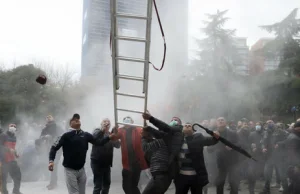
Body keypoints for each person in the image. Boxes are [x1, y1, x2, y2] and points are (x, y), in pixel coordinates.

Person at [48, 115, 118, 194]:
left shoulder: (85, 135)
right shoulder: (65, 135)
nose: (77, 119)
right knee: (75, 192)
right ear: (70, 123)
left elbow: (98, 142)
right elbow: (54, 148)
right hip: (70, 170)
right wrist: (51, 160)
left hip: (81, 170)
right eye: (74, 119)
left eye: (78, 118)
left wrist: (109, 137)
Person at [114, 116, 148, 194]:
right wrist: (114, 130)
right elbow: (114, 137)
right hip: (127, 164)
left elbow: (146, 135)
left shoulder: (138, 129)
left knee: (134, 185)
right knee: (126, 186)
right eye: (125, 119)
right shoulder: (120, 130)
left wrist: (146, 125)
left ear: (132, 121)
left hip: (137, 163)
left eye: (129, 119)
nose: (127, 121)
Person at [208, 117, 240, 194]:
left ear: (225, 123)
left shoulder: (233, 133)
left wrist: (232, 146)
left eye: (222, 120)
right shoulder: (214, 134)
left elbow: (239, 144)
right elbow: (209, 149)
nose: (221, 121)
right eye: (219, 120)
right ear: (217, 123)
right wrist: (215, 142)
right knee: (219, 183)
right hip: (220, 163)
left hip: (233, 162)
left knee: (233, 182)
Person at [90, 118, 120, 194]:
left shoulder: (110, 134)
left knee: (107, 184)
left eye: (108, 123)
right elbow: (95, 138)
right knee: (98, 185)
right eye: (104, 122)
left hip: (106, 164)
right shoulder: (97, 131)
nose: (106, 124)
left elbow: (118, 145)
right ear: (101, 124)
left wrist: (115, 134)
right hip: (97, 163)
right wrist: (103, 130)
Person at [36, 115, 64, 190]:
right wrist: (44, 137)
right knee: (51, 165)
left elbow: (62, 136)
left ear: (53, 118)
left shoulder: (57, 127)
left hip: (56, 149)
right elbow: (40, 139)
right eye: (47, 117)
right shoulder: (45, 128)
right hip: (48, 149)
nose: (48, 118)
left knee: (54, 165)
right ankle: (53, 182)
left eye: (50, 116)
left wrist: (52, 137)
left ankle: (53, 183)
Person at [141, 126, 170, 194]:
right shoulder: (164, 141)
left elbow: (145, 147)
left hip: (160, 175)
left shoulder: (160, 141)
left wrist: (143, 136)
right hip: (161, 176)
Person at [1, 124, 23, 194]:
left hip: (12, 160)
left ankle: (16, 191)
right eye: (11, 126)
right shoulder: (3, 135)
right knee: (3, 178)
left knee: (18, 175)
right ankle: (5, 192)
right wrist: (8, 149)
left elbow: (13, 148)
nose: (13, 127)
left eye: (14, 127)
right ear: (8, 127)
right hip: (4, 160)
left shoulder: (14, 137)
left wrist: (16, 154)